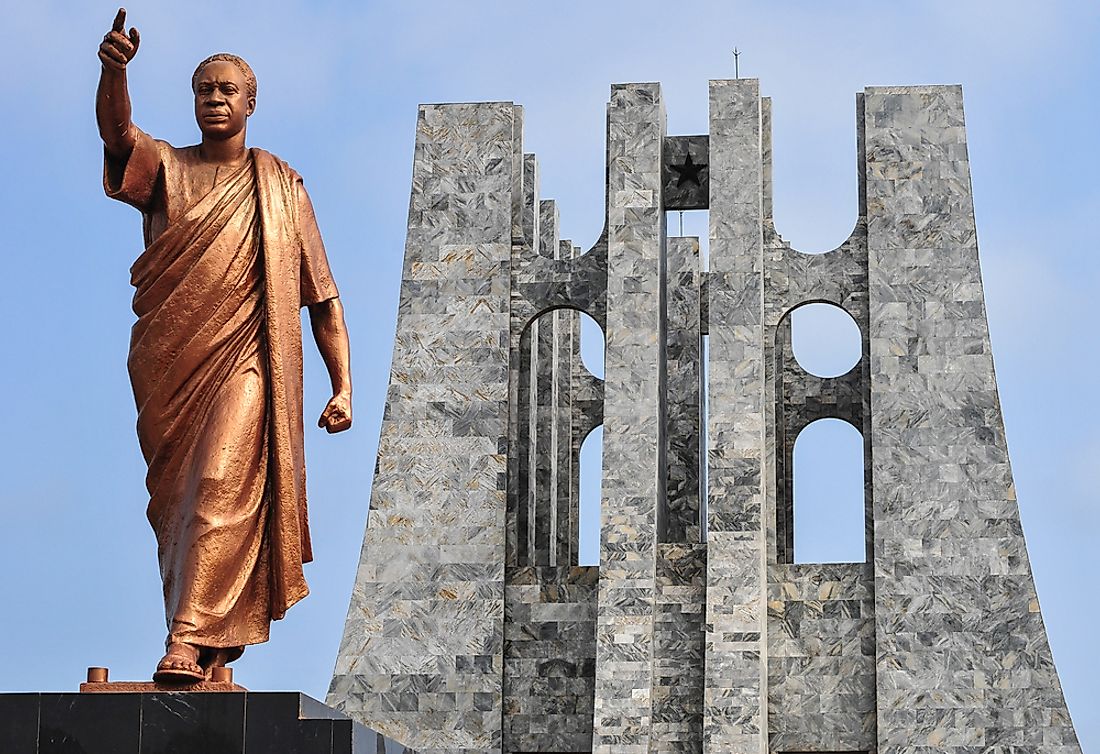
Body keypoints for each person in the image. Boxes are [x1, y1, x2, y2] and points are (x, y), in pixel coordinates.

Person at [95, 8, 352, 683]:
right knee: (179, 510)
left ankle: (186, 637)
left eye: (227, 89)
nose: (214, 97)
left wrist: (342, 385)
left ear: (251, 102)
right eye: (203, 88)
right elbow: (118, 134)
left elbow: (321, 296)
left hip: (247, 361)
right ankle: (210, 652)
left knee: (220, 484)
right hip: (169, 368)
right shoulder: (167, 171)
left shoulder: (280, 188)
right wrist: (113, 71)